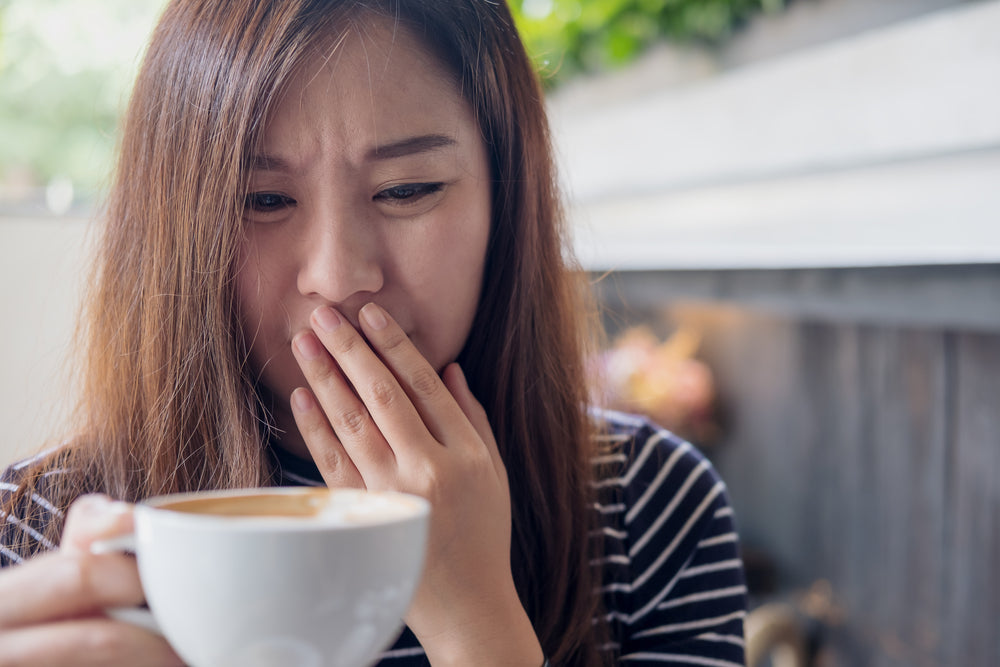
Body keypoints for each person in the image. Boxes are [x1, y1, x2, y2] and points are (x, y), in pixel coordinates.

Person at [0, 1, 748, 665]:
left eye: (407, 190)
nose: (336, 274)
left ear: (506, 201)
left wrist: (477, 622)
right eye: (262, 198)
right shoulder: (29, 530)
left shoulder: (649, 507)